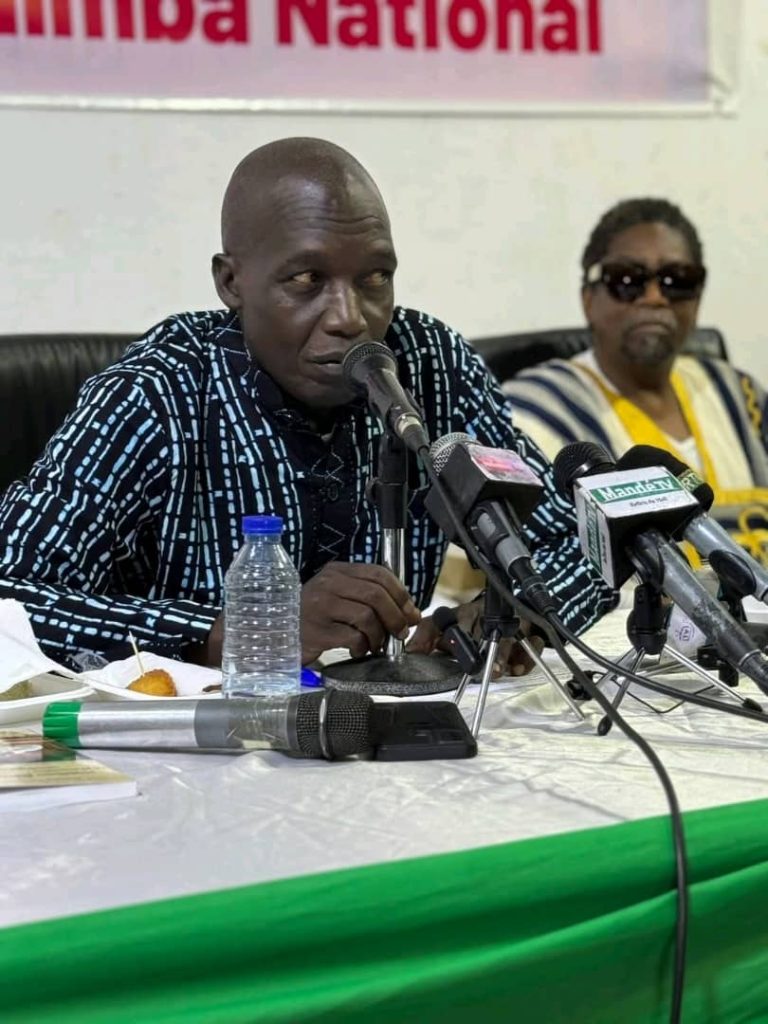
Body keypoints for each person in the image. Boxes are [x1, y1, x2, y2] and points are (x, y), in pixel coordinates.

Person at [0, 138, 615, 671]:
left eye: (375, 277)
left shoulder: (429, 366)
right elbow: (10, 598)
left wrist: (515, 612)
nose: (350, 317)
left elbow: (583, 539)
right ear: (232, 283)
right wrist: (241, 631)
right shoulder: (159, 390)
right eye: (306, 280)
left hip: (388, 732)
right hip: (182, 747)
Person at [504, 197, 768, 564]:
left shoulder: (740, 394)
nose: (655, 298)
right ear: (588, 298)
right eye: (627, 280)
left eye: (678, 280)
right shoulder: (528, 418)